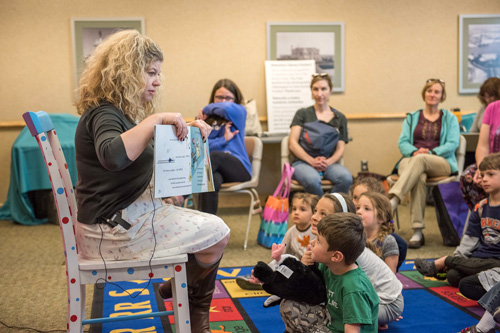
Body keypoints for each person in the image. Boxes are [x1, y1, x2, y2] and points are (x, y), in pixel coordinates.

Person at [73, 30, 230, 332]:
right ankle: (192, 311)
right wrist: (154, 120)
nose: (157, 81)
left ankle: (183, 296)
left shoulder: (116, 112)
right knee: (218, 233)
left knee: (214, 233)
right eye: (150, 72)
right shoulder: (105, 114)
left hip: (122, 219)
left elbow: (136, 159)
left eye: (158, 73)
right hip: (111, 233)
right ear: (127, 73)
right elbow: (114, 157)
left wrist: (187, 132)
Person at [285, 193, 404, 330]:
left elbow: (353, 290)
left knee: (335, 311)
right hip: (361, 295)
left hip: (388, 302)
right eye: (316, 210)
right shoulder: (329, 243)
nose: (314, 217)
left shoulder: (348, 250)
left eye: (323, 214)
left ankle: (370, 320)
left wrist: (373, 314)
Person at [389, 78, 460, 248]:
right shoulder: (412, 117)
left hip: (440, 161)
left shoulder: (450, 118)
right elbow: (403, 142)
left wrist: (430, 152)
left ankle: (393, 199)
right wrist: (414, 151)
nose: (432, 94)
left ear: (442, 96)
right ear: (424, 93)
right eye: (429, 91)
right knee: (418, 174)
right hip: (412, 159)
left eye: (437, 92)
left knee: (420, 161)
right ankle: (417, 232)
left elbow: (452, 143)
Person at [283, 213, 380, 332]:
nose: (312, 242)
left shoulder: (353, 288)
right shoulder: (328, 266)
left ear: (336, 256)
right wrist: (305, 266)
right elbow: (308, 288)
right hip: (330, 321)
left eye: (318, 241)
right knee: (288, 304)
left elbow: (352, 330)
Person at [414, 153, 500, 288]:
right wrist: (459, 258)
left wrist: (453, 260)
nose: (484, 179)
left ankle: (444, 262)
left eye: (490, 174)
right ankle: (454, 265)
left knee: (486, 269)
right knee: (453, 275)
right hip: (479, 259)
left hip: (497, 262)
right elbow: (470, 239)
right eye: (482, 175)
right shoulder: (480, 207)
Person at [236, 192, 318, 292]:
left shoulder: (315, 232)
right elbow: (282, 253)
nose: (296, 212)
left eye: (302, 209)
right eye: (294, 209)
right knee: (279, 268)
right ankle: (263, 279)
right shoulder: (291, 231)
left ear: (313, 214)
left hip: (309, 270)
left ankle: (269, 283)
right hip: (295, 267)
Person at [288, 73, 353, 197]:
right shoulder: (302, 114)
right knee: (312, 180)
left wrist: (328, 162)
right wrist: (311, 161)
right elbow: (293, 143)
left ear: (330, 90)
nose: (319, 94)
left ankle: (330, 210)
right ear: (311, 91)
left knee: (346, 178)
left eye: (323, 89)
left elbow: (340, 148)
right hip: (303, 162)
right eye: (315, 89)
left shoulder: (340, 118)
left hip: (328, 163)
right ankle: (322, 211)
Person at [196, 79, 251, 214]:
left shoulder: (239, 112)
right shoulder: (204, 119)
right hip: (214, 167)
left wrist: (208, 107)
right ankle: (208, 224)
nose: (223, 101)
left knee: (214, 157)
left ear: (235, 100)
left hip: (238, 168)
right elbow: (200, 148)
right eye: (219, 97)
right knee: (212, 178)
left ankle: (181, 195)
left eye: (228, 98)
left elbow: (226, 108)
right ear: (213, 97)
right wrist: (223, 140)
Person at [461, 90, 500, 210]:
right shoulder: (492, 108)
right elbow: (483, 146)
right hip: (492, 163)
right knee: (468, 177)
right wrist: (481, 169)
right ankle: (482, 220)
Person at [357, 192, 399, 273]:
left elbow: (390, 277)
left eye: (366, 209)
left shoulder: (388, 242)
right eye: (358, 208)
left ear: (381, 218)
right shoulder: (356, 238)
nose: (359, 211)